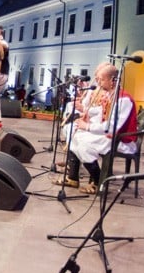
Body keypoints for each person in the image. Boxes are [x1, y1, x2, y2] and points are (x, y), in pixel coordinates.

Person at [56, 62, 137, 195]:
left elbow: (111, 127)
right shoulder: (111, 94)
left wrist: (87, 126)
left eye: (101, 79)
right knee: (75, 137)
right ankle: (93, 179)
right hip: (109, 136)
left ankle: (99, 181)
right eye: (98, 79)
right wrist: (86, 113)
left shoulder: (124, 99)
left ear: (112, 80)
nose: (98, 83)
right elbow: (101, 111)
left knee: (83, 144)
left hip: (122, 140)